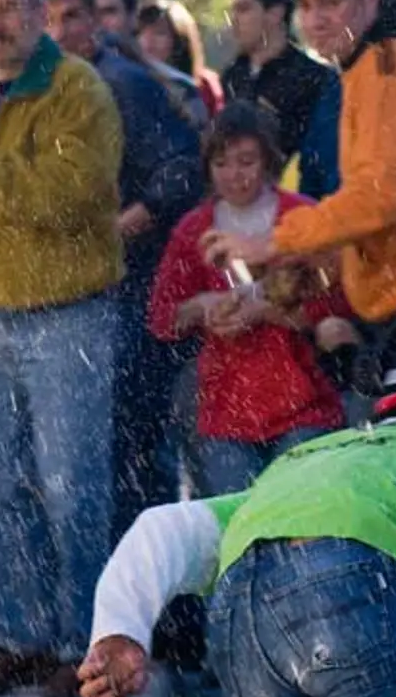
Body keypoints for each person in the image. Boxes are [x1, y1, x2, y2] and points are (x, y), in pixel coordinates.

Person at [79, 279, 396, 697]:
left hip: (244, 622)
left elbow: (162, 527)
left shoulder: (322, 462)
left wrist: (120, 629)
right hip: (354, 592)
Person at [0, 0, 125, 697]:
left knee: (72, 488)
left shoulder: (79, 88)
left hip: (69, 316)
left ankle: (88, 646)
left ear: (40, 15)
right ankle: (20, 636)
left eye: (8, 11)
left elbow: (75, 195)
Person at [40, 0, 203, 543]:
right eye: (48, 19)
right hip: (71, 300)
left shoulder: (122, 82)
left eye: (73, 17)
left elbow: (184, 169)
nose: (60, 31)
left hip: (132, 298)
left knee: (138, 460)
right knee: (88, 464)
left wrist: (131, 220)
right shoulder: (31, 88)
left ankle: (161, 616)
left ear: (97, 19)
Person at [206, 0, 396, 340]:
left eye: (331, 1)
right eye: (304, 5)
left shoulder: (390, 64)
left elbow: (382, 194)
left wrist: (274, 241)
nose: (315, 19)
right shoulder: (370, 60)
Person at [147, 103, 350, 496]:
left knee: (299, 517)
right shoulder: (194, 230)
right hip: (227, 404)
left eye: (246, 162)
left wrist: (268, 310)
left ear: (268, 161)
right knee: (237, 524)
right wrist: (203, 306)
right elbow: (162, 316)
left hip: (303, 395)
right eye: (222, 163)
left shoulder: (301, 217)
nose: (234, 176)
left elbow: (340, 306)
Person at [219, 0, 342, 200]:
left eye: (243, 9)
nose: (232, 20)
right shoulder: (232, 75)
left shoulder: (314, 78)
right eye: (232, 10)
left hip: (294, 204)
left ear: (275, 13)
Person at [136, 0, 222, 118]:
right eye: (141, 32)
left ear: (180, 41)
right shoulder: (130, 83)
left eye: (159, 33)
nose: (147, 42)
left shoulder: (205, 86)